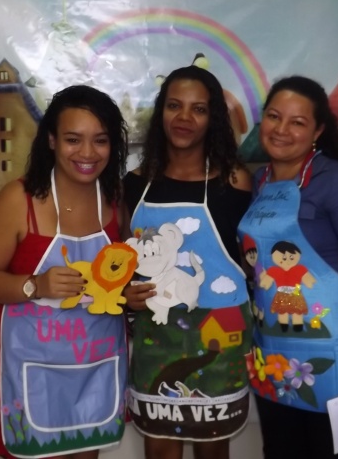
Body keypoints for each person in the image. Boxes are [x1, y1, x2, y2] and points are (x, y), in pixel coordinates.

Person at [0, 85, 131, 459]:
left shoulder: (114, 198)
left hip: (96, 366)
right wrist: (35, 285)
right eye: (73, 139)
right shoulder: (18, 199)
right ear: (52, 140)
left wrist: (129, 295)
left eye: (100, 140)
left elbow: (118, 276)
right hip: (31, 367)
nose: (87, 153)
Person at [237, 76, 338, 458]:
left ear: (318, 131)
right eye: (274, 117)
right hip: (274, 361)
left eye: (298, 122)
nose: (282, 129)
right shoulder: (260, 182)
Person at [122, 65, 253, 459]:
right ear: (160, 112)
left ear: (214, 119)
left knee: (212, 446)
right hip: (156, 335)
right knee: (160, 447)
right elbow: (120, 261)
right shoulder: (133, 184)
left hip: (218, 335)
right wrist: (125, 292)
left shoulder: (235, 182)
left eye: (199, 109)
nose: (184, 117)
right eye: (174, 105)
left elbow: (252, 257)